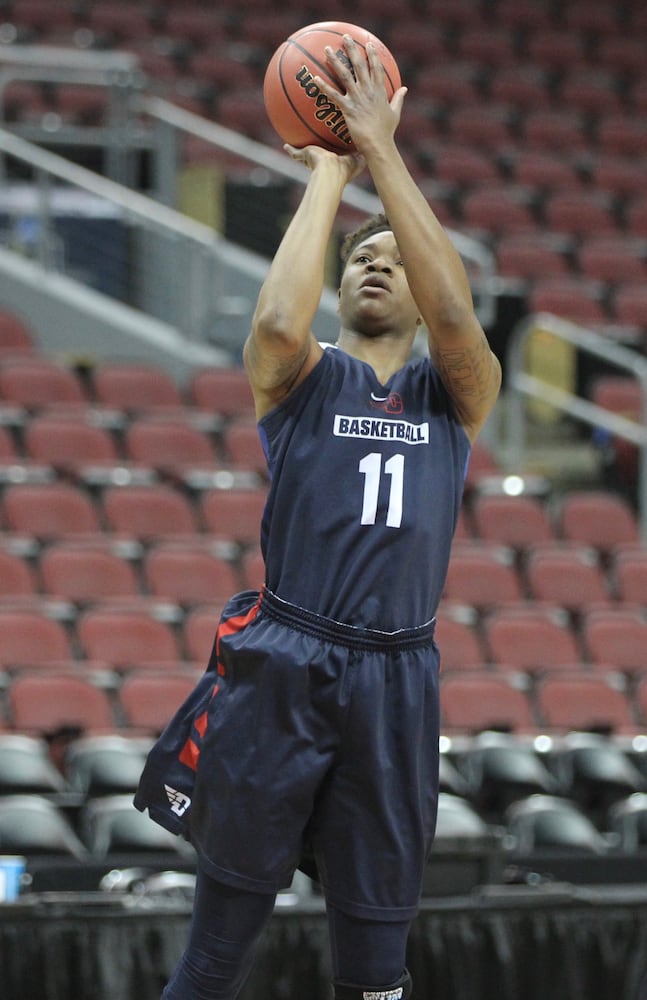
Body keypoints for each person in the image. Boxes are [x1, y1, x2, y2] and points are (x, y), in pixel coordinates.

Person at [134, 34, 501, 1000]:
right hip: (287, 663)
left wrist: (383, 148)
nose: (377, 265)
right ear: (342, 281)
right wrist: (334, 171)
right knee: (216, 950)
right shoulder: (299, 379)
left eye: (396, 257)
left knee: (377, 968)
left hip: (395, 678)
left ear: (423, 293)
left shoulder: (454, 392)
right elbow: (271, 326)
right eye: (360, 257)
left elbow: (461, 321)